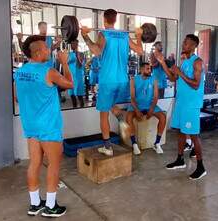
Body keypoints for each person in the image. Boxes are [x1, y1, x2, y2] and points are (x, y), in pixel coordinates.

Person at [14, 35, 73, 217]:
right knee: (54, 165)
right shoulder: (48, 71)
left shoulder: (20, 72)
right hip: (48, 126)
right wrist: (65, 63)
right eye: (46, 49)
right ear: (38, 52)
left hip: (31, 126)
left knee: (34, 163)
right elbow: (70, 84)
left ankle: (34, 204)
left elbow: (17, 97)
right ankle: (50, 206)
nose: (49, 51)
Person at [81, 8, 143, 156]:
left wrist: (85, 36)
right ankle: (120, 118)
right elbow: (140, 50)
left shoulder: (104, 34)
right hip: (122, 81)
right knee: (111, 106)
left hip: (107, 81)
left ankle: (107, 147)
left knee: (103, 114)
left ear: (104, 19)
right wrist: (139, 35)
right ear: (116, 19)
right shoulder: (124, 35)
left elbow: (96, 51)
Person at [154, 34, 207, 180]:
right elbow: (173, 78)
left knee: (194, 135)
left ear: (194, 46)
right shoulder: (184, 61)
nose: (184, 45)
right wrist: (162, 63)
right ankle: (180, 159)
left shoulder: (198, 62)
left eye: (187, 43)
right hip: (181, 102)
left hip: (191, 105)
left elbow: (196, 85)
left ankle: (201, 167)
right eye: (184, 42)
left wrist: (180, 73)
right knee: (180, 131)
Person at [126, 62, 166, 155]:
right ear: (141, 70)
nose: (150, 71)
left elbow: (156, 97)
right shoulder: (133, 80)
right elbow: (132, 97)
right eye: (147, 69)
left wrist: (151, 109)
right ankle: (134, 144)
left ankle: (157, 143)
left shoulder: (154, 80)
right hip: (137, 105)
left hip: (149, 105)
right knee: (128, 117)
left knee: (163, 117)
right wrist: (136, 110)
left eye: (150, 69)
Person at [67, 39, 85, 108]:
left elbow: (80, 65)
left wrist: (77, 55)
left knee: (79, 95)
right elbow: (65, 63)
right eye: (71, 44)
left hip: (78, 77)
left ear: (77, 44)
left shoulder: (81, 54)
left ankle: (82, 108)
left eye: (74, 44)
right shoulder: (69, 54)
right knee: (72, 94)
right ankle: (74, 108)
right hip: (71, 77)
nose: (72, 45)